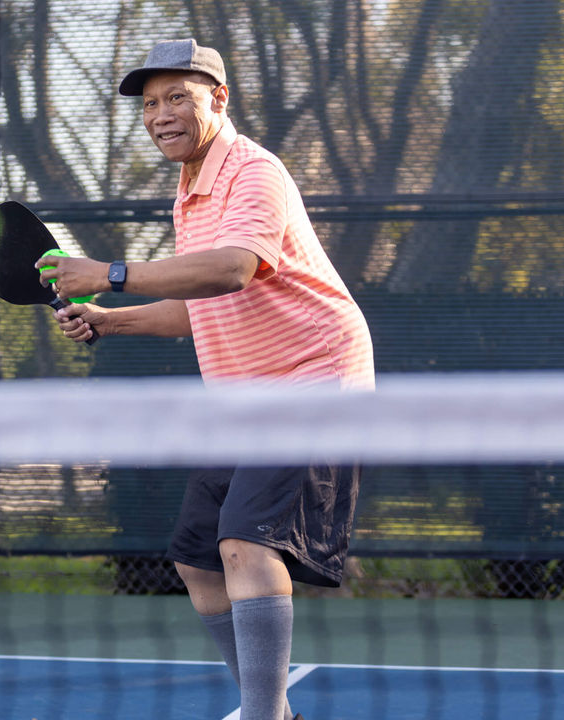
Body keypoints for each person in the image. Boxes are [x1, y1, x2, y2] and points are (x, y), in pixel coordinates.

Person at [35, 39, 375, 720]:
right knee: (197, 559)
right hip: (245, 398)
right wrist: (112, 319)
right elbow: (203, 306)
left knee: (245, 542)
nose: (160, 114)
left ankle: (262, 716)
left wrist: (110, 272)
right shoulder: (188, 193)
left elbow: (232, 269)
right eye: (151, 103)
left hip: (314, 379)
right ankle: (271, 709)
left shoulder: (254, 173)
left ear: (218, 99)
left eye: (177, 98)